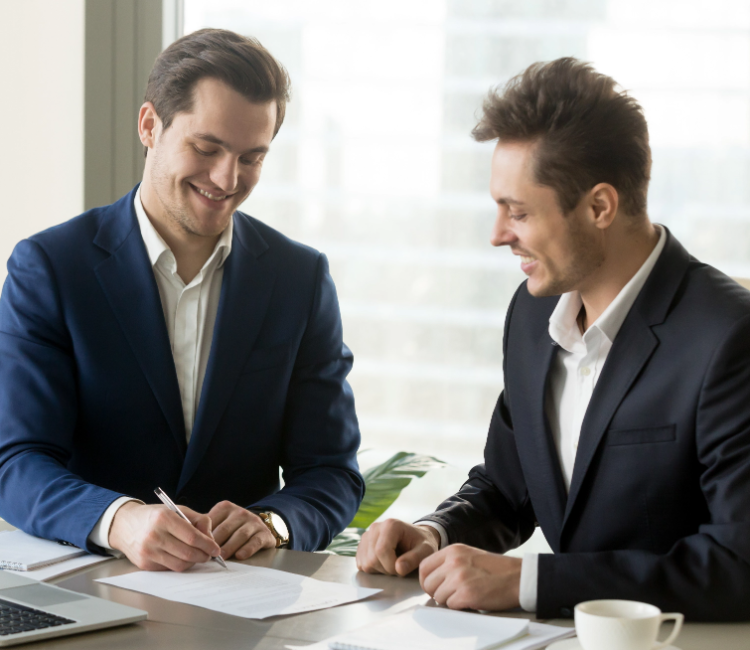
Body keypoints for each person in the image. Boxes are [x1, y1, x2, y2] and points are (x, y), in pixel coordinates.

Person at [356, 57, 750, 621]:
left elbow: (739, 563)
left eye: (517, 212)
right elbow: (508, 484)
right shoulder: (531, 315)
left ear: (599, 206)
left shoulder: (730, 338)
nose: (497, 236)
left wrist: (531, 581)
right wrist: (435, 532)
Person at [0, 28, 364, 572]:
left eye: (251, 158)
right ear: (150, 125)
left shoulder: (299, 278)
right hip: (90, 586)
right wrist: (120, 520)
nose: (227, 179)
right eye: (207, 148)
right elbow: (17, 461)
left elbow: (332, 471)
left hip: (243, 599)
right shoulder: (51, 268)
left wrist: (275, 521)